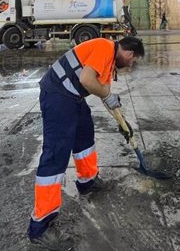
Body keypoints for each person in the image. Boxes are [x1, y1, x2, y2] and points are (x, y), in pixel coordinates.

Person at [28, 36, 145, 249]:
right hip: (57, 95)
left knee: (85, 137)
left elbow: (103, 92)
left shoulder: (109, 62)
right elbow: (87, 81)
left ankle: (88, 181)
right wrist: (108, 94)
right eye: (133, 60)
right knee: (55, 156)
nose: (131, 65)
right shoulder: (104, 47)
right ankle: (40, 226)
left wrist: (123, 123)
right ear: (129, 54)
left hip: (72, 98)